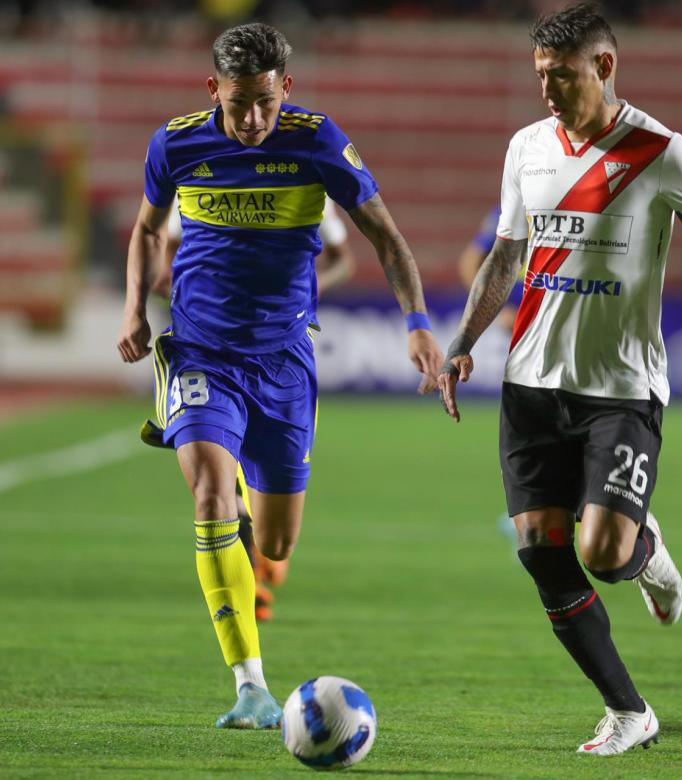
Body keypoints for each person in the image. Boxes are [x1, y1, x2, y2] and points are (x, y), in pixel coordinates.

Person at [438, 4, 682, 757]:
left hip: (620, 389)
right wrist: (465, 340)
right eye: (540, 77)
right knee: (540, 551)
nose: (548, 90)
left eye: (561, 76)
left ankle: (645, 547)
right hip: (530, 386)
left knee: (605, 554)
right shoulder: (526, 148)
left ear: (606, 66)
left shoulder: (660, 151)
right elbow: (505, 256)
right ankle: (628, 711)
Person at [117, 22, 443, 730]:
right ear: (214, 90)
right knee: (209, 496)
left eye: (265, 102)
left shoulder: (318, 141)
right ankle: (249, 685)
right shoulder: (176, 142)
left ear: (285, 88)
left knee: (275, 544)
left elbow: (384, 236)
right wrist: (135, 310)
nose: (254, 119)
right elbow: (146, 229)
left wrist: (417, 322)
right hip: (200, 350)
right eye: (239, 105)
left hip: (285, 362)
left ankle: (239, 477)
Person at [150, 196, 357, 622]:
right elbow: (167, 247)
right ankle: (251, 584)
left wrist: (302, 285)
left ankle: (263, 555)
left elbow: (343, 259)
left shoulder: (305, 189)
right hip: (210, 350)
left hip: (280, 356)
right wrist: (179, 282)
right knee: (219, 481)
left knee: (274, 531)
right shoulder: (199, 183)